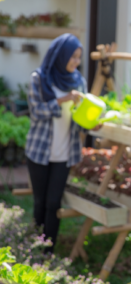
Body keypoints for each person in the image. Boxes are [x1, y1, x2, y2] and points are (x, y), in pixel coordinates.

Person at [25, 33, 101, 253]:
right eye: (73, 57)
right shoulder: (38, 78)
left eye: (79, 57)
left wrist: (91, 126)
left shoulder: (78, 81)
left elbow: (80, 119)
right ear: (60, 55)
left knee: (53, 203)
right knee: (40, 202)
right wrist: (62, 100)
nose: (76, 62)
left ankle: (48, 250)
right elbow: (36, 112)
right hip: (39, 152)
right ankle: (35, 245)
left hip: (65, 154)